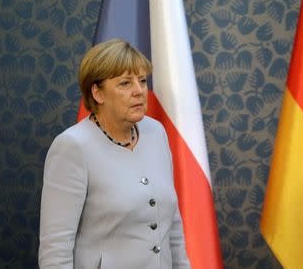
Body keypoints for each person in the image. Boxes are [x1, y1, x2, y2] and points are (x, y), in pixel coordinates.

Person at [38, 38, 191, 269]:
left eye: (142, 81)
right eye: (125, 84)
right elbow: (55, 251)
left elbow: (173, 224)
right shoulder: (72, 147)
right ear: (97, 93)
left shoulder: (156, 133)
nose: (139, 91)